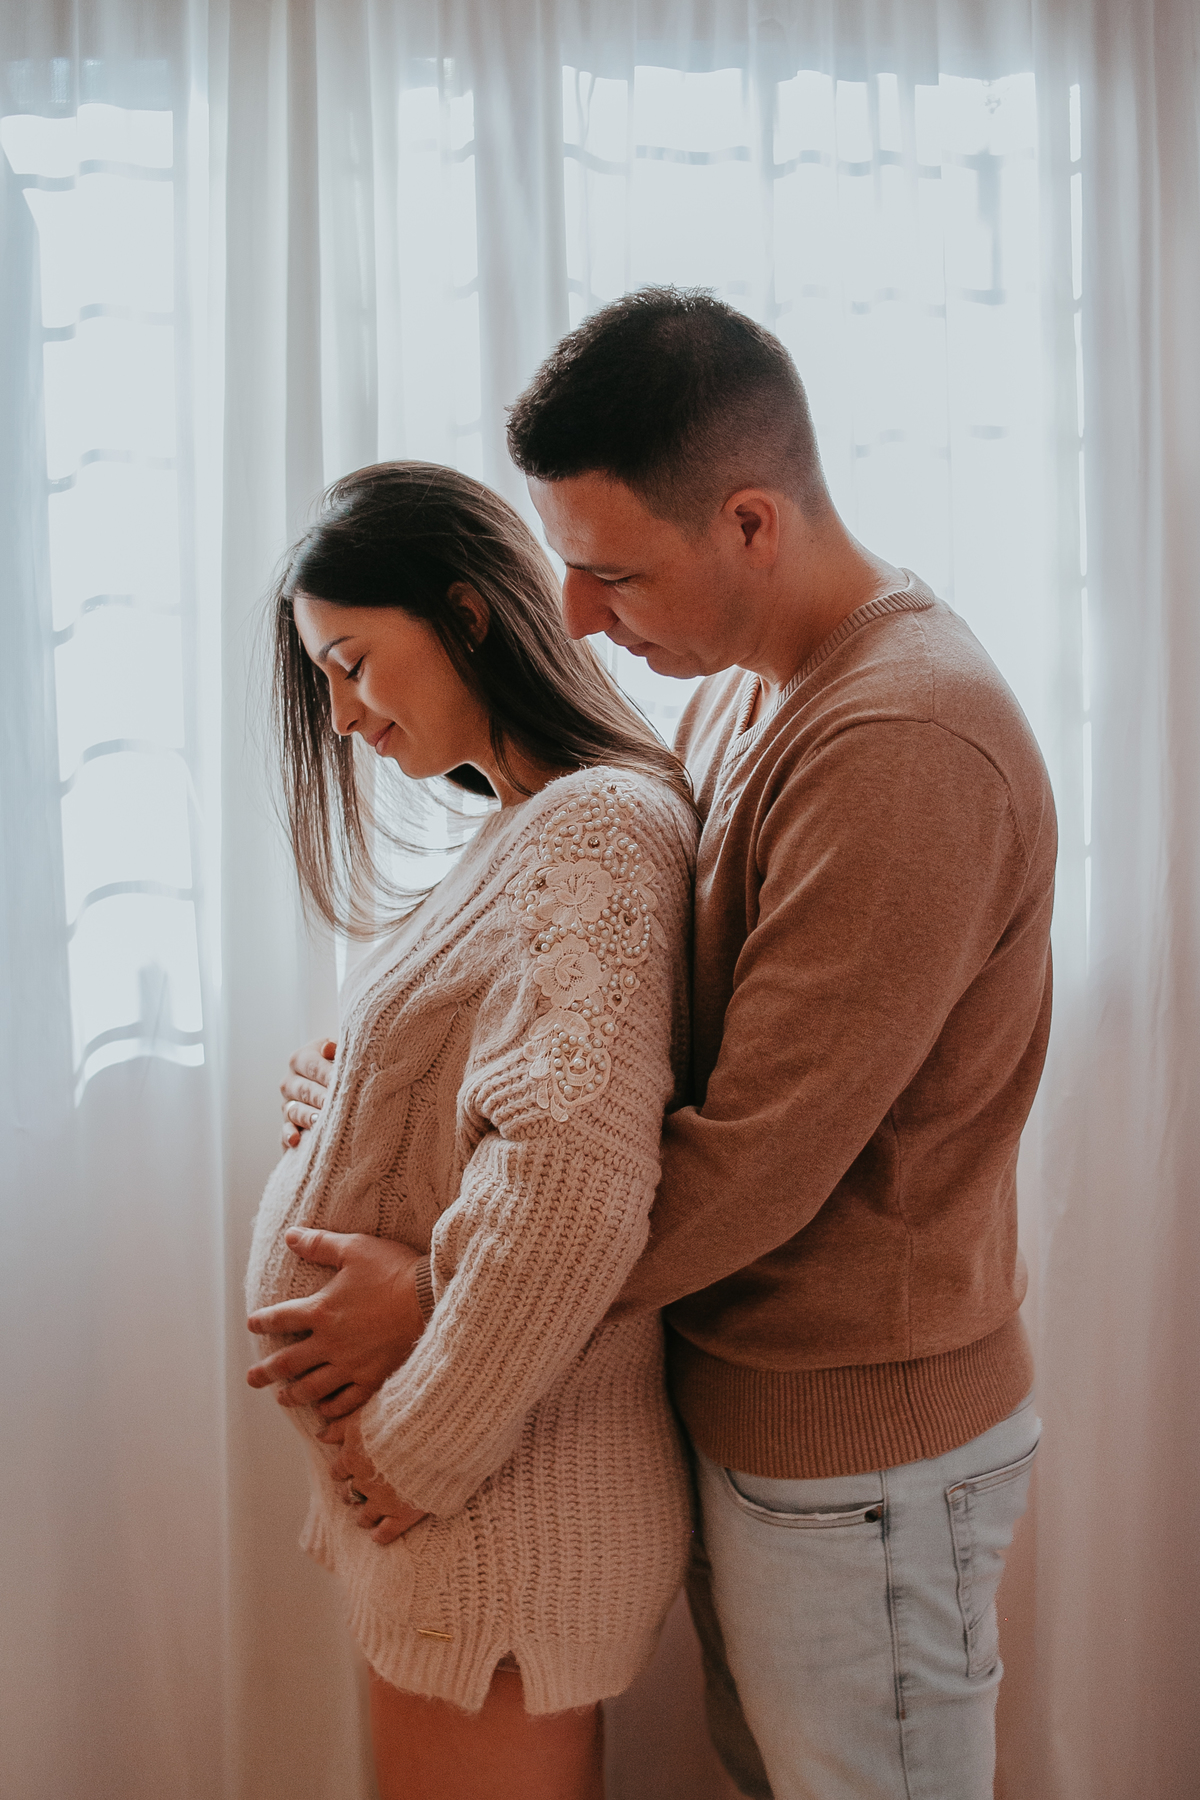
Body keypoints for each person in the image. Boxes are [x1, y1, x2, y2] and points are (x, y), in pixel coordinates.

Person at [255, 290, 1056, 1799]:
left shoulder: (903, 741)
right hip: (772, 1424)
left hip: (860, 1456)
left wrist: (434, 1300)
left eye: (613, 569)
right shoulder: (750, 699)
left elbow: (749, 1160)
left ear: (752, 521)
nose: (573, 614)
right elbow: (637, 1060)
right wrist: (383, 1089)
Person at [244, 460, 700, 1800]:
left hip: (487, 1500)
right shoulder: (531, 829)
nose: (342, 719)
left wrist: (412, 1450)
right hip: (462, 1505)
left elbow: (570, 1186)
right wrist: (358, 1104)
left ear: (467, 613)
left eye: (353, 664)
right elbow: (502, 1104)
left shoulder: (599, 832)